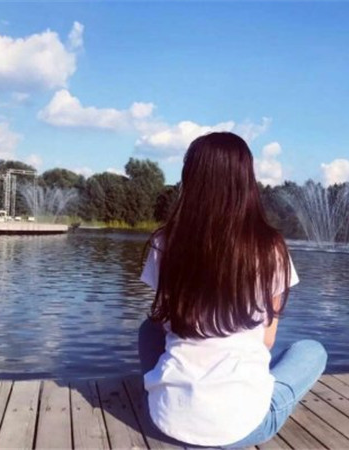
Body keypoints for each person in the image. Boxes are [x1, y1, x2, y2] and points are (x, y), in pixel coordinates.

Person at [137, 132, 328, 448]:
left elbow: (167, 320)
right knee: (312, 351)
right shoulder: (271, 248)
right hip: (245, 427)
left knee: (148, 329)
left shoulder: (165, 242)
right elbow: (267, 341)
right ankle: (237, 393)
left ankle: (171, 394)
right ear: (246, 181)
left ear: (190, 178)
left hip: (165, 420)